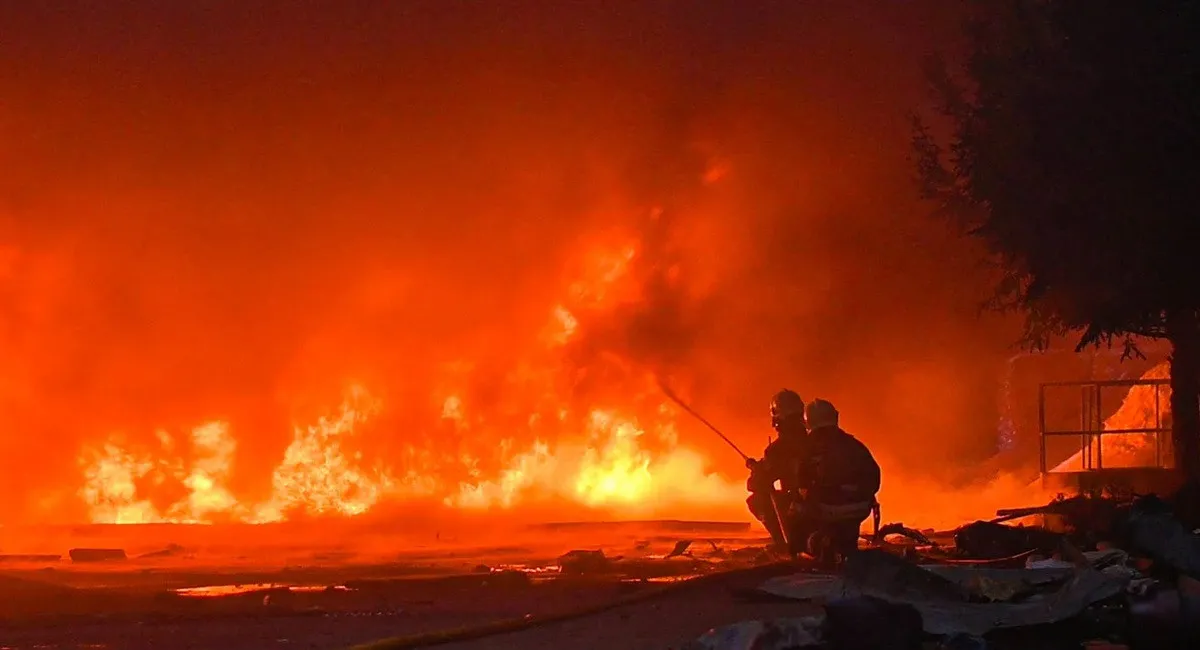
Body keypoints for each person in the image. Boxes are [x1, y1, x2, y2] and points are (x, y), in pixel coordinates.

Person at [790, 398, 881, 565]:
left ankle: (814, 545)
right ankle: (846, 545)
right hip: (859, 508)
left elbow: (799, 481)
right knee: (846, 536)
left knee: (794, 507)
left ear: (808, 422)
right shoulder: (854, 445)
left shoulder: (808, 447)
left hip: (826, 507)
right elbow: (874, 477)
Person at [745, 389, 808, 550]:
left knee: (756, 500)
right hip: (821, 505)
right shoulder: (812, 440)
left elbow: (757, 484)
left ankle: (785, 542)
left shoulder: (778, 449)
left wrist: (756, 471)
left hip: (800, 508)